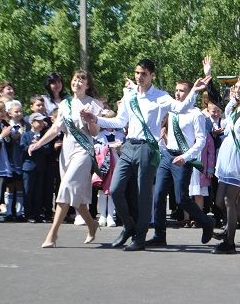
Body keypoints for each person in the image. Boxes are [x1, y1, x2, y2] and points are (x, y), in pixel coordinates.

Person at [80, 59, 211, 252]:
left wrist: (195, 91)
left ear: (152, 76)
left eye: (144, 74)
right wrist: (96, 119)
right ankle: (129, 226)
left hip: (148, 148)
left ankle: (140, 238)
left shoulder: (161, 97)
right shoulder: (129, 96)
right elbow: (119, 121)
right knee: (115, 189)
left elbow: (181, 108)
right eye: (137, 73)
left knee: (144, 195)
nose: (139, 77)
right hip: (129, 146)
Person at [29, 70, 102, 248]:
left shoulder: (94, 104)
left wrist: (90, 120)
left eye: (82, 80)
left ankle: (52, 235)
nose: (77, 82)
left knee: (65, 189)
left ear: (87, 85)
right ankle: (92, 224)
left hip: (83, 151)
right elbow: (55, 129)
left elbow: (95, 132)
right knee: (76, 197)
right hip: (67, 152)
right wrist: (38, 143)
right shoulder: (65, 104)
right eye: (75, 79)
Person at [150, 79, 214, 249]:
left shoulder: (196, 114)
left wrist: (185, 157)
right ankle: (159, 235)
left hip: (182, 158)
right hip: (167, 157)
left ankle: (206, 222)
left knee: (181, 198)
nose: (178, 94)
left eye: (182, 91)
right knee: (158, 195)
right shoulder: (172, 111)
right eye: (176, 90)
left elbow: (200, 141)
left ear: (190, 94)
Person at [207, 69, 240, 254]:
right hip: (226, 155)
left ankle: (229, 242)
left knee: (229, 200)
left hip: (239, 157)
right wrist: (209, 76)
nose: (237, 91)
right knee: (219, 201)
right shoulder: (233, 108)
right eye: (236, 87)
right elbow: (215, 98)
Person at [21, 113, 51, 223]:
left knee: (39, 192)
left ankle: (37, 214)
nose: (41, 123)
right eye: (38, 121)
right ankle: (28, 214)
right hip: (28, 167)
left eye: (42, 121)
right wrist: (31, 146)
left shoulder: (45, 136)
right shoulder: (26, 135)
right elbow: (22, 148)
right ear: (31, 123)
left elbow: (48, 149)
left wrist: (39, 145)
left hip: (40, 167)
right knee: (28, 190)